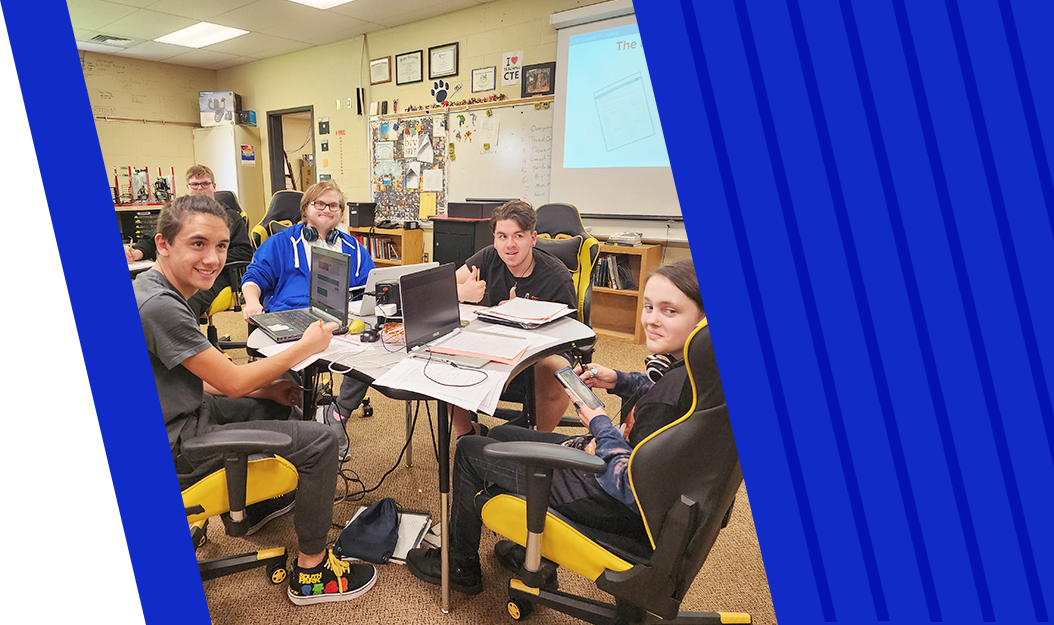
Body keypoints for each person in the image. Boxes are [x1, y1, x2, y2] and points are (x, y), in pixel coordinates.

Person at [406, 259, 719, 595]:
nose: (652, 319)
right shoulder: (698, 373)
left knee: (470, 451)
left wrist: (599, 423)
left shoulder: (664, 404)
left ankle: (461, 565)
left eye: (669, 311)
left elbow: (628, 486)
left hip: (610, 500)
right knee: (499, 434)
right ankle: (533, 548)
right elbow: (657, 391)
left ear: (701, 319)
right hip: (640, 489)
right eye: (648, 307)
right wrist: (619, 380)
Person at [134, 193, 377, 606]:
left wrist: (267, 388)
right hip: (179, 441)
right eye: (198, 244)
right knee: (321, 441)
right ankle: (312, 571)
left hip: (183, 411)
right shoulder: (161, 306)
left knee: (282, 401)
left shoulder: (156, 287)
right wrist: (305, 346)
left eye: (222, 246)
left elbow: (197, 376)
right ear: (163, 244)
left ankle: (259, 502)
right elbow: (229, 382)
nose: (213, 259)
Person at [241, 180, 375, 460]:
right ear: (306, 209)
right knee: (286, 363)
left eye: (334, 205)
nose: (328, 209)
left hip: (340, 321)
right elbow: (254, 277)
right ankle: (303, 423)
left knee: (372, 350)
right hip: (289, 317)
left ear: (341, 213)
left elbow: (371, 289)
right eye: (320, 203)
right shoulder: (281, 243)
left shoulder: (355, 248)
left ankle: (336, 415)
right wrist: (252, 301)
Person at [453, 200, 578, 435]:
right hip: (497, 343)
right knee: (443, 358)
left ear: (532, 239)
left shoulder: (556, 276)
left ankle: (539, 442)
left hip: (542, 349)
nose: (509, 245)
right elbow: (438, 287)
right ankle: (467, 434)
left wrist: (522, 315)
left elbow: (569, 335)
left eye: (518, 236)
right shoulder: (490, 257)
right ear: (494, 239)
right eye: (502, 236)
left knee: (555, 368)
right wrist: (461, 292)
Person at [125, 165, 254, 318]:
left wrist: (210, 259)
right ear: (188, 187)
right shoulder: (180, 215)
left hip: (216, 275)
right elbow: (155, 237)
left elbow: (244, 252)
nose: (200, 188)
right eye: (195, 184)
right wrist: (137, 252)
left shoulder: (230, 217)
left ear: (213, 187)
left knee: (182, 302)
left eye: (205, 184)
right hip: (181, 271)